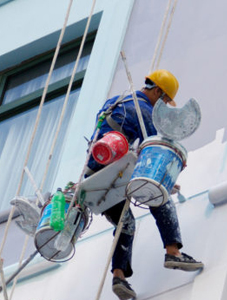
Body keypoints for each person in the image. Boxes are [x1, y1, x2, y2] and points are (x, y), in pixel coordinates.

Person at [87, 69, 203, 300]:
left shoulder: (117, 101)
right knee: (157, 194)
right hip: (117, 169)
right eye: (165, 99)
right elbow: (153, 150)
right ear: (158, 91)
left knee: (125, 223)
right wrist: (165, 182)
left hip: (94, 173)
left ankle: (119, 277)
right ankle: (173, 252)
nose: (164, 105)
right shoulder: (145, 111)